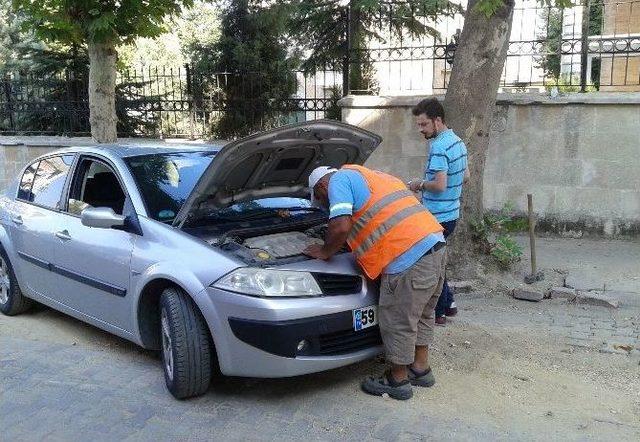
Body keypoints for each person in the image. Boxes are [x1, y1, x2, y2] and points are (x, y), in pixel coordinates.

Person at [303, 164, 446, 401]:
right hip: (434, 245)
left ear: (321, 185)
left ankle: (397, 380)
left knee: (397, 319)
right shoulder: (375, 176)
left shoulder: (338, 181)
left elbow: (340, 227)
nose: (323, 205)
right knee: (421, 313)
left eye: (320, 199)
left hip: (406, 254)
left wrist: (325, 251)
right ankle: (420, 369)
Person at [408, 97, 469, 326]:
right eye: (419, 125)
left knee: (431, 267)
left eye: (423, 124)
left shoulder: (440, 146)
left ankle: (439, 312)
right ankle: (450, 304)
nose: (421, 129)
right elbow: (466, 176)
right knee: (438, 261)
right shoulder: (458, 141)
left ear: (437, 120)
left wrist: (419, 184)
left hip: (437, 217)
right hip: (452, 214)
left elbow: (440, 185)